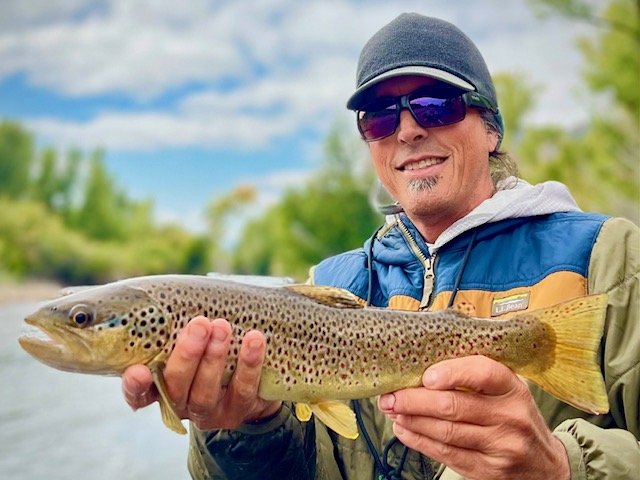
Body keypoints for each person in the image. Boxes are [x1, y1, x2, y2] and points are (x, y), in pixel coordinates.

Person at [121, 13, 639, 480]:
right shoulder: (329, 284)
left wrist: (558, 467)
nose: (408, 130)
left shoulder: (607, 255)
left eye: (437, 105)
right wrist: (242, 427)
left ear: (491, 129)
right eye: (380, 116)